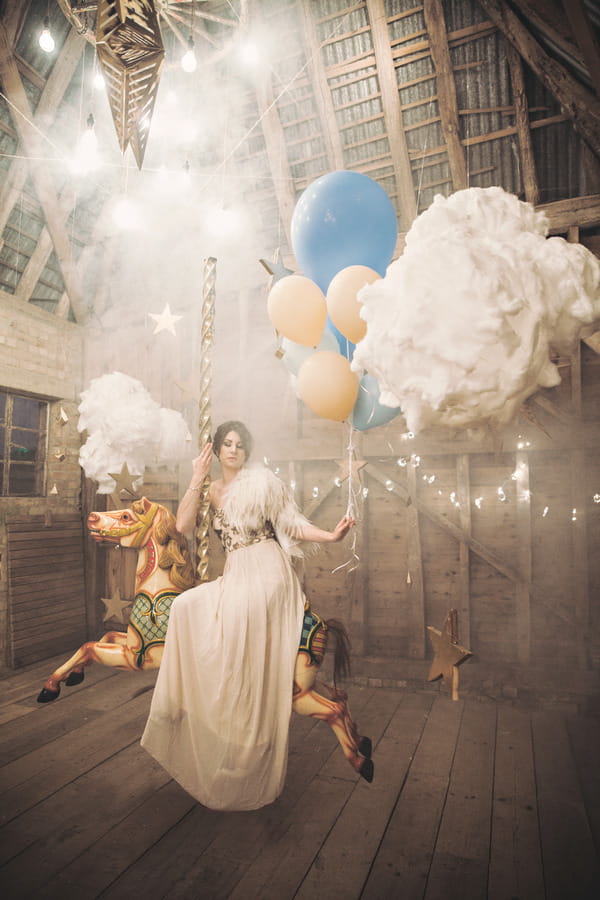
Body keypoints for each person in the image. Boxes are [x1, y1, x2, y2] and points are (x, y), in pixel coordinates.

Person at [141, 420, 355, 811]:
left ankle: (247, 743)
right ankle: (180, 707)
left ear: (246, 451)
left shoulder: (262, 483)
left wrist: (330, 536)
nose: (233, 450)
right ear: (217, 450)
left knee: (236, 637)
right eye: (227, 444)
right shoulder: (211, 488)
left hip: (268, 572)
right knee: (186, 607)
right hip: (236, 572)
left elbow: (291, 522)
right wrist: (196, 476)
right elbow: (183, 526)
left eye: (240, 444)